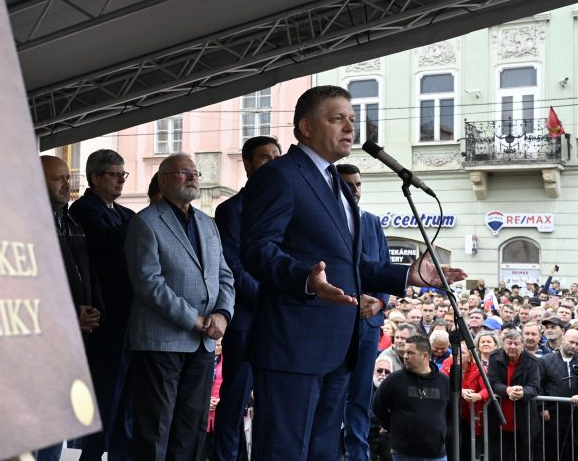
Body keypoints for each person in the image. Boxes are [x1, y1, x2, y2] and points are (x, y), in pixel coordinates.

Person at [240, 85, 465, 460]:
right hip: (293, 347)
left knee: (324, 451)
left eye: (352, 120)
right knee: (284, 451)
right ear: (306, 127)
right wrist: (305, 279)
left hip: (339, 347)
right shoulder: (280, 176)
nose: (350, 127)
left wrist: (408, 274)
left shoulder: (337, 185)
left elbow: (350, 265)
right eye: (337, 118)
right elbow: (257, 249)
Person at [124, 153, 235, 461]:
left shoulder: (207, 223)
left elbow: (224, 275)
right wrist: (196, 320)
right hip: (161, 341)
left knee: (192, 426)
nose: (192, 178)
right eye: (183, 173)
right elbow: (149, 283)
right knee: (155, 428)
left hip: (203, 343)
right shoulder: (145, 222)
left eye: (194, 173)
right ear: (163, 180)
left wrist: (223, 315)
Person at [212, 136, 281, 461]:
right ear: (248, 163)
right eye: (265, 157)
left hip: (279, 321)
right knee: (235, 400)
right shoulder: (231, 210)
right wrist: (272, 299)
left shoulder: (286, 206)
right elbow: (234, 267)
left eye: (276, 156)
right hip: (247, 320)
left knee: (273, 403)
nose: (272, 162)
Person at [68, 149, 135, 461]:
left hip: (128, 315)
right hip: (104, 317)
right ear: (95, 177)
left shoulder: (123, 213)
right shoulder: (84, 210)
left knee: (125, 398)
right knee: (105, 394)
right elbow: (107, 242)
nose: (121, 180)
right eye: (114, 174)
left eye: (124, 175)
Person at [37, 155, 104, 461]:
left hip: (76, 334)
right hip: (42, 340)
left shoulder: (70, 220)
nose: (67, 184)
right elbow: (33, 286)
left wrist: (93, 309)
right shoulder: (28, 223)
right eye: (58, 178)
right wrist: (67, 316)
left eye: (67, 177)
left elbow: (88, 270)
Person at [336, 163, 392, 461]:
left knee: (359, 399)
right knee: (330, 398)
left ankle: (358, 456)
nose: (354, 190)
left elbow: (383, 267)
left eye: (358, 184)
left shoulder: (372, 222)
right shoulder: (323, 222)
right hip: (333, 323)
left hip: (367, 325)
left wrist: (380, 302)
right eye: (348, 185)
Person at [372, 335, 450, 461]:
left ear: (425, 356)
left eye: (410, 353)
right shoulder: (394, 380)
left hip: (436, 453)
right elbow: (378, 406)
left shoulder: (444, 381)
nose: (405, 356)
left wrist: (442, 434)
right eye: (404, 352)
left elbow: (451, 412)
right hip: (404, 452)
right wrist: (393, 427)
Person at [487, 329, 542, 461]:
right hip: (500, 420)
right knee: (500, 456)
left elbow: (534, 386)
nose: (512, 346)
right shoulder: (494, 357)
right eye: (509, 343)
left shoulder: (532, 361)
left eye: (516, 344)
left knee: (524, 456)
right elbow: (492, 382)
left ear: (523, 345)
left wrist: (522, 392)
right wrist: (507, 390)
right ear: (503, 343)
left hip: (524, 421)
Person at [538, 328, 578, 460]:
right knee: (553, 452)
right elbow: (539, 384)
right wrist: (542, 407)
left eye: (577, 344)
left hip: (576, 416)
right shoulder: (545, 360)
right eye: (571, 342)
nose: (574, 346)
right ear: (563, 340)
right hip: (554, 416)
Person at [368, 357, 394, 461]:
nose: (383, 374)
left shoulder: (394, 390)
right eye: (379, 371)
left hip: (387, 435)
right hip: (367, 434)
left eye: (387, 372)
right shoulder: (365, 387)